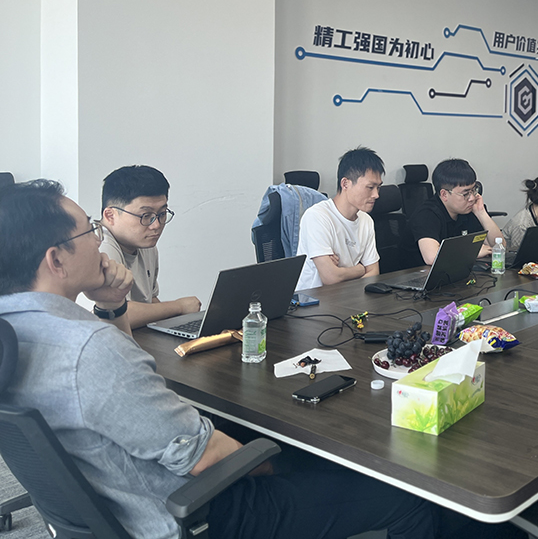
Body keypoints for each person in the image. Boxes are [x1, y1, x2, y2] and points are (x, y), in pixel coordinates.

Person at [0, 180, 439, 539]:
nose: (99, 242)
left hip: (119, 504)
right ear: (56, 260)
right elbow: (206, 457)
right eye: (89, 233)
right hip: (196, 516)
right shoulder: (89, 348)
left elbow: (119, 393)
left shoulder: (15, 332)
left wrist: (114, 306)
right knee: (406, 494)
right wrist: (285, 463)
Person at [97, 165, 201, 330]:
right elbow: (116, 314)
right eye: (146, 216)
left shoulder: (146, 244)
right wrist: (179, 307)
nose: (156, 225)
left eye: (162, 214)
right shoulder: (98, 247)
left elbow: (150, 302)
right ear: (110, 216)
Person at [295, 147, 382, 291]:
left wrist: (341, 272)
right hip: (314, 300)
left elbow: (374, 272)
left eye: (378, 187)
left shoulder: (366, 220)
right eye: (370, 187)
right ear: (345, 183)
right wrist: (360, 269)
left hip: (349, 296)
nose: (376, 195)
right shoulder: (317, 216)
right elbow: (330, 277)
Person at [409, 159, 504, 265]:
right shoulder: (426, 214)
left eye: (474, 190)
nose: (472, 198)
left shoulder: (469, 209)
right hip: (417, 273)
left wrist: (481, 213)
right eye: (465, 194)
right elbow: (432, 257)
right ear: (444, 194)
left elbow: (499, 247)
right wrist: (472, 252)